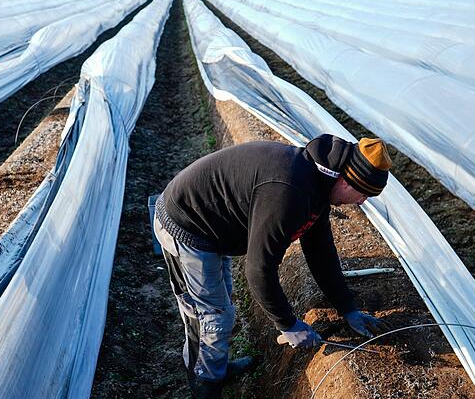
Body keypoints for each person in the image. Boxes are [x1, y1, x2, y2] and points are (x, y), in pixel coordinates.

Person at [153, 134, 392, 398]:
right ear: (347, 180)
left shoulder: (320, 184)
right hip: (187, 224)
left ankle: (214, 369)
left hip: (213, 226)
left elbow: (321, 252)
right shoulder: (290, 192)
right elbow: (259, 269)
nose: (362, 202)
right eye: (364, 194)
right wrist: (288, 325)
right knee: (210, 316)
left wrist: (348, 308)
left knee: (221, 308)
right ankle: (204, 384)